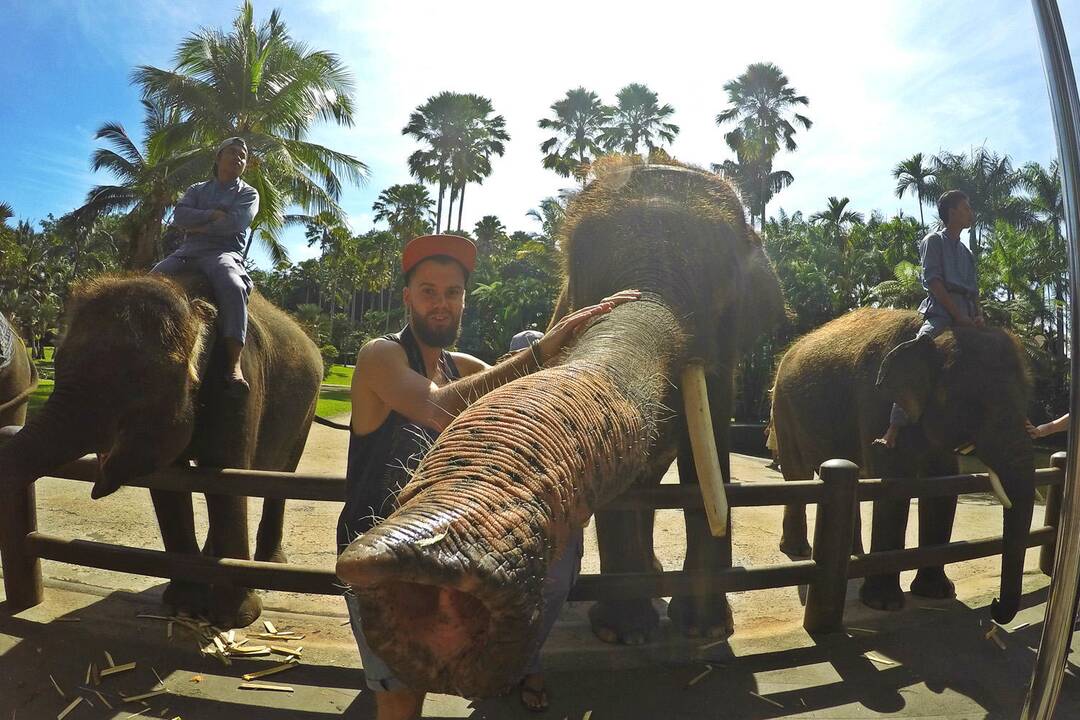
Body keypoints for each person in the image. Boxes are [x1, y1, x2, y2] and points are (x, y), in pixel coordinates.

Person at [337, 233, 637, 720]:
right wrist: (538, 356)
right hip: (383, 553)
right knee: (400, 699)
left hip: (455, 545)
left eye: (452, 292)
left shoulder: (466, 366)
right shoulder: (381, 356)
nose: (441, 303)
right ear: (408, 297)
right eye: (429, 291)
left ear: (463, 301)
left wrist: (594, 342)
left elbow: (531, 397)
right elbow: (435, 407)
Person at [876, 190, 983, 448]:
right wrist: (958, 317)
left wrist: (978, 316)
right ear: (952, 212)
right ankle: (893, 428)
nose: (970, 212)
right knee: (921, 350)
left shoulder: (966, 254)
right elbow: (934, 282)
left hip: (967, 313)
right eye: (966, 207)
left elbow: (975, 291)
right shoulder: (933, 241)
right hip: (941, 313)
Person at [152, 137, 259, 393]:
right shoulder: (197, 189)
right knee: (149, 281)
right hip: (188, 251)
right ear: (218, 157)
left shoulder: (248, 193)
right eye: (232, 152)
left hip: (224, 252)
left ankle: (234, 363)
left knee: (233, 286)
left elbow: (235, 223)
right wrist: (212, 215)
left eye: (242, 156)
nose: (238, 158)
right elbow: (180, 216)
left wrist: (198, 225)